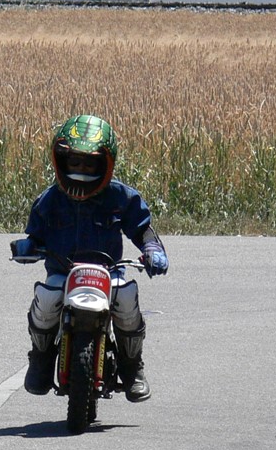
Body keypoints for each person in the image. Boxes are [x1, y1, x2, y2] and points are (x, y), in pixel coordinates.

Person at [10, 114, 169, 401]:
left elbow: (143, 230)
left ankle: (132, 367)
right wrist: (27, 247)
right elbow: (35, 236)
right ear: (60, 160)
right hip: (62, 271)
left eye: (89, 163)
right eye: (74, 162)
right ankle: (41, 357)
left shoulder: (122, 197)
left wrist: (152, 250)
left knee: (127, 300)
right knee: (45, 300)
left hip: (109, 271)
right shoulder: (49, 200)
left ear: (105, 164)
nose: (81, 169)